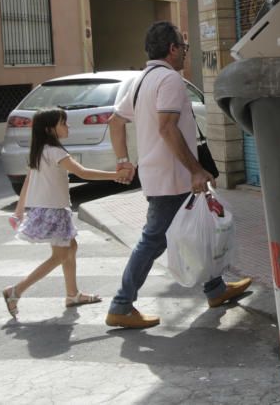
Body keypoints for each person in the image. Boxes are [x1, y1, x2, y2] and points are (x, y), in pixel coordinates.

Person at [105, 21, 251, 329]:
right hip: (173, 178)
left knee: (203, 230)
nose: (185, 53)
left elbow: (115, 122)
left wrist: (123, 161)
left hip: (161, 175)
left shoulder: (140, 80)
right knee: (154, 240)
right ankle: (121, 304)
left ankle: (215, 288)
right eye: (183, 47)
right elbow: (167, 127)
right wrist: (196, 169)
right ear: (172, 49)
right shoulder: (169, 80)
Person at [2, 108, 129, 320]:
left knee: (70, 247)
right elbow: (82, 172)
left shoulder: (40, 150)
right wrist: (117, 175)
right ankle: (15, 291)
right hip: (53, 211)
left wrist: (19, 210)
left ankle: (72, 294)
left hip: (50, 209)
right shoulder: (55, 152)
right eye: (63, 123)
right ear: (50, 129)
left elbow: (28, 181)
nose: (68, 126)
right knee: (59, 255)